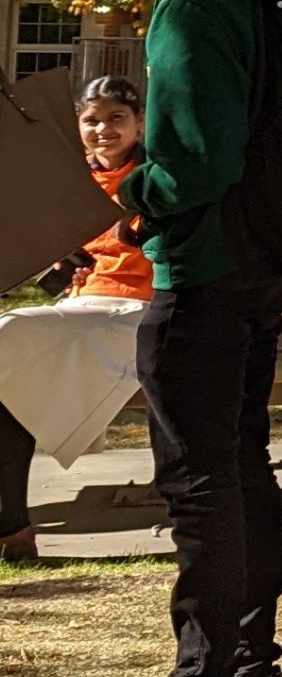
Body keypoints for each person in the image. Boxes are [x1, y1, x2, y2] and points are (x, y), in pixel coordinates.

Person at [67, 0, 282, 677]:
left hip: (202, 264)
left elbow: (200, 158)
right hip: (262, 253)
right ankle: (251, 668)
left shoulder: (191, 6)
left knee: (199, 476)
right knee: (244, 458)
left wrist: (133, 190)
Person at [2, 79, 156, 568]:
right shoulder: (70, 180)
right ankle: (13, 527)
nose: (102, 130)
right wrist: (62, 264)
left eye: (116, 118)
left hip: (138, 311)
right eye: (92, 120)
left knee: (9, 336)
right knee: (8, 383)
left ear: (138, 123)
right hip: (81, 306)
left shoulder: (156, 178)